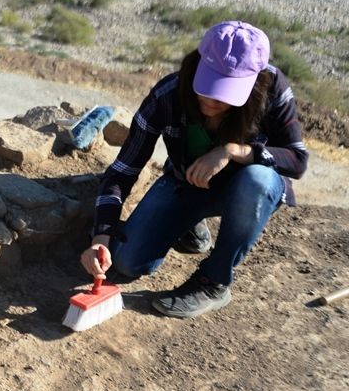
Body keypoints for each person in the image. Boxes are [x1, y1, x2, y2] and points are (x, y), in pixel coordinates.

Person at [80, 20, 309, 318]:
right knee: (126, 263)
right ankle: (189, 226)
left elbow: (297, 160)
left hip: (247, 189)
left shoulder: (271, 87)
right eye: (208, 85)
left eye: (225, 92)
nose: (212, 100)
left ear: (253, 82)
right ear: (198, 63)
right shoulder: (168, 95)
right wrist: (101, 237)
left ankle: (213, 282)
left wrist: (232, 151)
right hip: (187, 183)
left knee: (258, 179)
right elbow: (123, 170)